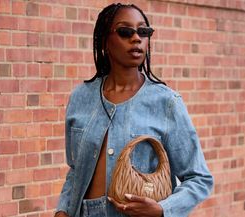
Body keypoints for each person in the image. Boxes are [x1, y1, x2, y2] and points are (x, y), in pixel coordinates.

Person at [55, 3, 213, 217]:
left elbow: (199, 178)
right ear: (104, 42)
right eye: (125, 31)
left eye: (143, 32)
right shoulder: (81, 97)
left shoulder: (166, 103)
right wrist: (62, 211)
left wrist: (162, 209)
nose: (136, 38)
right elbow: (75, 171)